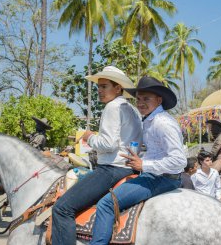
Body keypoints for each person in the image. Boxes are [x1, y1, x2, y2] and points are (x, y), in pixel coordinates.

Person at [51, 66, 143, 245]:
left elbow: (108, 144)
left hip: (111, 169)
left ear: (118, 88)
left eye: (104, 86)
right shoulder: (132, 109)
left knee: (62, 208)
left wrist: (90, 137)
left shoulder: (112, 107)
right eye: (98, 87)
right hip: (128, 168)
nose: (99, 91)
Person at [90, 76, 187, 244]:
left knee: (106, 204)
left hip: (161, 178)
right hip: (157, 175)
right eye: (139, 99)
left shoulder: (162, 123)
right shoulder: (150, 120)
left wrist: (144, 164)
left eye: (146, 99)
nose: (140, 103)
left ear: (159, 99)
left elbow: (179, 161)